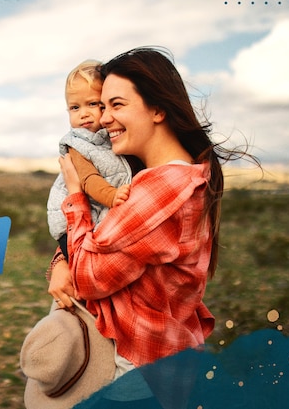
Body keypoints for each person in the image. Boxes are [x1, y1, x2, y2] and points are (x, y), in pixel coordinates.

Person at [47, 46, 244, 382]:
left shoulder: (163, 189)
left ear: (157, 109)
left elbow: (89, 278)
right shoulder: (176, 175)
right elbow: (106, 245)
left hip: (142, 369)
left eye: (116, 105)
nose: (103, 118)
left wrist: (77, 194)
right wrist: (60, 260)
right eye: (101, 105)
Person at [47, 60, 133, 259]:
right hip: (67, 225)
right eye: (75, 108)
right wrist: (112, 196)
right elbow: (88, 180)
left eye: (93, 104)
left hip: (90, 216)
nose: (83, 114)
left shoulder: (109, 138)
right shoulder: (77, 144)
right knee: (85, 267)